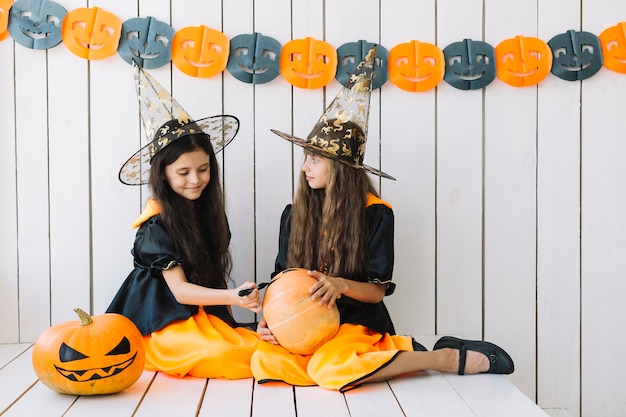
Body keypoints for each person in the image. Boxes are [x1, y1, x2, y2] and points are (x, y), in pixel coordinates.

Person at [250, 47, 514, 391]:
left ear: (341, 168)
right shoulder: (294, 215)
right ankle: (386, 359)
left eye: (315, 160)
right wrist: (272, 321)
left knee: (331, 371)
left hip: (355, 322)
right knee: (263, 361)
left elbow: (376, 292)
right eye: (306, 158)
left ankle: (443, 357)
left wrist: (339, 285)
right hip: (306, 327)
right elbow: (280, 281)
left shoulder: (375, 214)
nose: (304, 168)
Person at [106, 64, 259, 380]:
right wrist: (234, 297)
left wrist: (229, 318)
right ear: (163, 173)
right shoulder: (155, 226)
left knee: (254, 345)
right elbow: (181, 292)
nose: (196, 180)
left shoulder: (209, 215)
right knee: (230, 356)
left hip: (199, 314)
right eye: (184, 173)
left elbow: (212, 276)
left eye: (203, 169)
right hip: (161, 323)